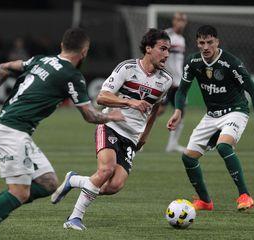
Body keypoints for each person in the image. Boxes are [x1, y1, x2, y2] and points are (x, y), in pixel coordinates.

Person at [0, 28, 124, 240]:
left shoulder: (41, 60)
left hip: (14, 131)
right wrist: (113, 116)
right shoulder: (71, 75)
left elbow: (2, 68)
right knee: (19, 192)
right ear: (84, 52)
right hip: (12, 132)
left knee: (49, 183)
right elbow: (90, 116)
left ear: (62, 46)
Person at [50, 28, 173, 230]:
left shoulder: (165, 80)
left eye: (169, 50)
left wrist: (145, 135)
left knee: (114, 186)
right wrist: (130, 102)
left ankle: (74, 180)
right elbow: (102, 97)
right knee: (105, 170)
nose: (167, 54)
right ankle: (74, 218)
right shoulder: (126, 68)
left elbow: (154, 109)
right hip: (111, 125)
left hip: (133, 137)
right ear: (149, 49)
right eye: (163, 49)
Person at [167, 25, 254, 211]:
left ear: (217, 42)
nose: (205, 47)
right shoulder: (193, 62)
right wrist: (178, 111)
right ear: (197, 43)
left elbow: (253, 91)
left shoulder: (231, 63)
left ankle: (245, 195)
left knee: (223, 146)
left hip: (236, 111)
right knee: (188, 158)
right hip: (211, 115)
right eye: (201, 42)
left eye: (209, 42)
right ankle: (205, 201)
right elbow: (181, 91)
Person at [157, 12, 188, 153]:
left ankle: (172, 144)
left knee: (180, 113)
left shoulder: (182, 39)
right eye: (178, 20)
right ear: (174, 21)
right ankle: (137, 137)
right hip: (165, 82)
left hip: (178, 82)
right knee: (157, 111)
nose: (181, 22)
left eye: (183, 20)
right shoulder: (166, 36)